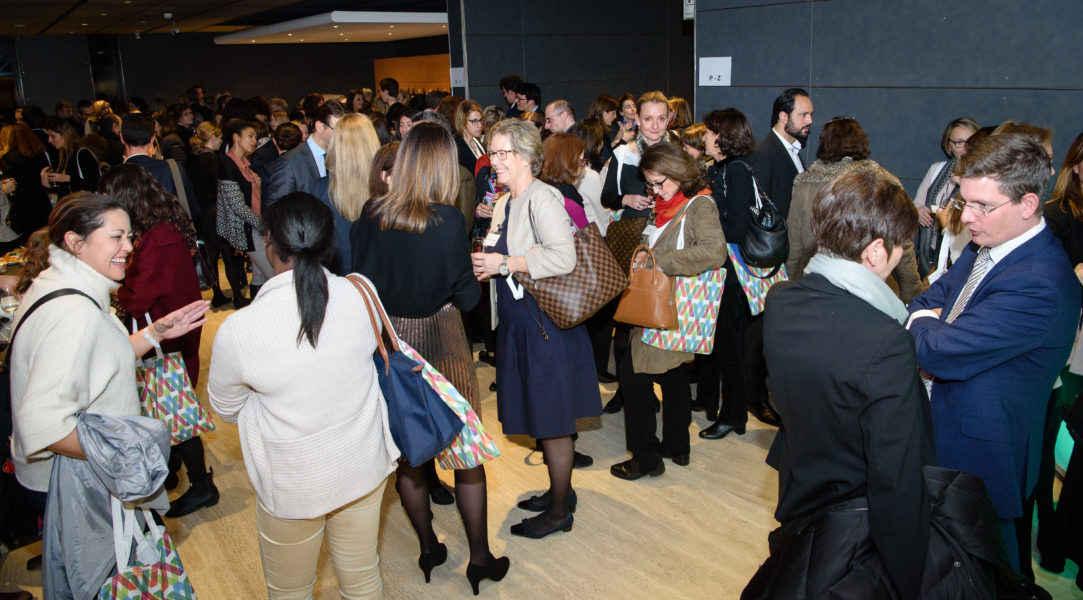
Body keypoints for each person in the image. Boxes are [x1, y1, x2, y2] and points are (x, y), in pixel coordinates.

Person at [745, 167, 931, 599]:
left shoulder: (781, 300)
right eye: (902, 247)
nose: (902, 257)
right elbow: (895, 481)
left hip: (800, 496)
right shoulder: (886, 340)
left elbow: (781, 398)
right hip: (856, 524)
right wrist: (910, 581)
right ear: (875, 252)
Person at [208, 193, 399, 599]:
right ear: (328, 242)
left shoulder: (240, 329)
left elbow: (225, 408)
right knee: (363, 577)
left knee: (290, 591)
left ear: (269, 242)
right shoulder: (361, 292)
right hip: (363, 465)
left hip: (293, 481)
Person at [907, 131, 1079, 571]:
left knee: (978, 575)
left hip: (979, 455)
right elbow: (925, 300)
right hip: (943, 433)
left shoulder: (1039, 281)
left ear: (1028, 204)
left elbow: (940, 351)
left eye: (983, 205)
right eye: (964, 202)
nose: (968, 217)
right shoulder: (987, 244)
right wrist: (930, 318)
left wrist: (928, 322)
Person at [351, 122, 509, 595]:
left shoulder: (369, 215)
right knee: (465, 455)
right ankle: (478, 559)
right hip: (442, 341)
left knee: (410, 452)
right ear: (441, 167)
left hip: (392, 345)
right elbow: (466, 301)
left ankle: (427, 548)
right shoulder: (449, 222)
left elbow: (360, 284)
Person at [10, 192, 207, 552]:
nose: (128, 247)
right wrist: (128, 455)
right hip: (77, 485)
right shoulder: (75, 315)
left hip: (64, 479)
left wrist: (153, 333)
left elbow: (98, 358)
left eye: (129, 236)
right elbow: (40, 425)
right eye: (116, 237)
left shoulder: (58, 285)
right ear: (75, 242)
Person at [471, 119, 601, 539]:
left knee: (553, 420)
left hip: (545, 327)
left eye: (502, 153)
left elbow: (564, 257)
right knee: (544, 416)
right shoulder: (507, 201)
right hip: (521, 325)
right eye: (492, 152)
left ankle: (559, 511)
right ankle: (559, 491)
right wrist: (489, 263)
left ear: (527, 156)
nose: (494, 161)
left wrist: (505, 263)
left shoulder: (543, 198)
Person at [99, 165, 216, 518]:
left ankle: (202, 485)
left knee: (173, 408)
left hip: (167, 335)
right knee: (168, 406)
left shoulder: (157, 240)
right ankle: (174, 465)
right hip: (174, 329)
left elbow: (137, 299)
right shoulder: (163, 228)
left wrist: (114, 287)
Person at [610, 143, 725, 479]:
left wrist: (661, 261)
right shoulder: (664, 206)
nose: (655, 191)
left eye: (659, 183)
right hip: (664, 306)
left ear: (678, 173)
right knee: (673, 374)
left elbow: (714, 252)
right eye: (650, 184)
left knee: (633, 377)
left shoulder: (699, 204)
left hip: (667, 306)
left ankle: (645, 457)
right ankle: (677, 445)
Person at [695, 108, 779, 438]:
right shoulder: (719, 169)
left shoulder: (736, 170)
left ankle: (733, 416)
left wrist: (704, 226)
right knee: (724, 346)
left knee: (729, 349)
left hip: (732, 273)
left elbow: (737, 228)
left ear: (722, 136)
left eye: (708, 131)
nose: (704, 137)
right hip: (723, 269)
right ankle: (732, 414)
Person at [784, 116, 925, 302]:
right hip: (869, 287)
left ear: (824, 144)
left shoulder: (805, 186)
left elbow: (794, 246)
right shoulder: (883, 184)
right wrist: (912, 296)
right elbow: (902, 246)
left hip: (819, 286)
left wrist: (792, 288)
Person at [305, 113, 380, 275]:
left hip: (335, 278)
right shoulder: (387, 188)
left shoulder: (320, 189)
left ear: (336, 144)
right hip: (375, 279)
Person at [913, 117, 981, 278]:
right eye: (959, 142)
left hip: (963, 253)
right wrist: (919, 211)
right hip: (930, 251)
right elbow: (916, 204)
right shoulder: (936, 170)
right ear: (949, 145)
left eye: (970, 141)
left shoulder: (983, 176)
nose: (965, 147)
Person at [217, 119, 265, 308]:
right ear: (236, 137)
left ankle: (257, 310)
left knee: (260, 274)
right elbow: (237, 206)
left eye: (255, 137)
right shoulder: (228, 165)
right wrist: (262, 224)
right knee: (271, 271)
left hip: (254, 224)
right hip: (248, 228)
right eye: (250, 136)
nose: (254, 141)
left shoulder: (244, 163)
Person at [748, 88, 814, 218]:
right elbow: (758, 208)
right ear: (784, 117)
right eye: (803, 115)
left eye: (811, 114)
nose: (810, 121)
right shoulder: (763, 154)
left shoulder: (793, 149)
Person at [185, 121, 230, 307]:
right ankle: (225, 293)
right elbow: (218, 187)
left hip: (202, 212)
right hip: (214, 210)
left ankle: (216, 290)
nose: (221, 142)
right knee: (222, 252)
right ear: (212, 138)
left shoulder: (194, 160)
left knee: (210, 252)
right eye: (219, 138)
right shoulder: (212, 160)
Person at [266, 101, 345, 206]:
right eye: (338, 129)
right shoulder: (290, 163)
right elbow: (278, 209)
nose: (343, 135)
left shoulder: (341, 157)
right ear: (320, 126)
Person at [0, 123, 51, 235]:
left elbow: (10, 183)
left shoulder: (7, 158)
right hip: (42, 200)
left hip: (22, 206)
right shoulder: (39, 153)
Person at [39, 118, 100, 195]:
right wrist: (46, 184)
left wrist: (68, 179)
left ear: (64, 135)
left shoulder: (82, 153)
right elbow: (63, 189)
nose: (49, 140)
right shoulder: (62, 155)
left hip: (83, 200)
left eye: (53, 136)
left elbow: (95, 184)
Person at [454, 100, 486, 175]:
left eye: (480, 120)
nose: (480, 125)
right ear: (462, 122)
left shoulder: (477, 141)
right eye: (474, 121)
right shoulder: (457, 147)